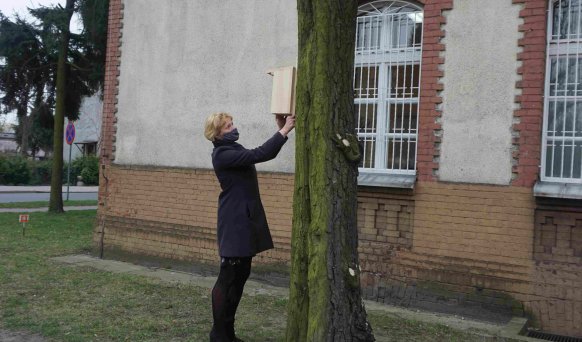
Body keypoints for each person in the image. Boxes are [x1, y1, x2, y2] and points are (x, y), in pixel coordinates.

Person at [203, 112, 295, 342]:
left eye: (232, 124)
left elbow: (256, 153)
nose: (233, 128)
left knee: (241, 274)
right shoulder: (223, 154)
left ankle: (228, 334)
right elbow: (261, 154)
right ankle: (218, 334)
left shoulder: (233, 148)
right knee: (229, 276)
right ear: (217, 133)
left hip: (244, 220)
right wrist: (284, 131)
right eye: (227, 127)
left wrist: (279, 129)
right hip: (234, 222)